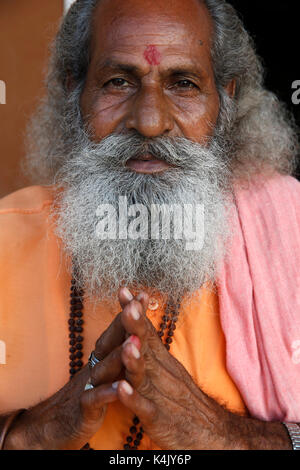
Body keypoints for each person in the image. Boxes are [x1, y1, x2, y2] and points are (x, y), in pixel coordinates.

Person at [0, 0, 299, 450]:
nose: (150, 121)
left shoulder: (289, 233)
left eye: (183, 83)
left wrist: (228, 437)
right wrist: (25, 434)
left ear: (227, 98)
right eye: (118, 82)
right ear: (74, 91)